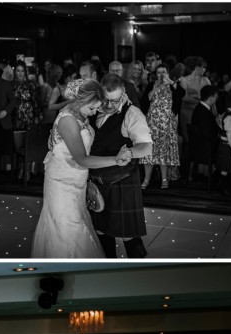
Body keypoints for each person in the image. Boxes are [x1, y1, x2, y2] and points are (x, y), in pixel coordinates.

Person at [31, 79, 129, 258]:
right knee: (66, 229)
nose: (93, 113)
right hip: (61, 182)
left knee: (79, 223)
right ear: (80, 101)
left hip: (78, 179)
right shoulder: (67, 120)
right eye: (91, 108)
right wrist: (116, 160)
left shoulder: (80, 111)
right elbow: (82, 159)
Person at [88, 74, 153, 259]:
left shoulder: (132, 113)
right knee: (101, 231)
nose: (109, 106)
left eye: (115, 101)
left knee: (128, 235)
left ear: (123, 92)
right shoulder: (93, 109)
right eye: (105, 100)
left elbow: (146, 146)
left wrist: (130, 153)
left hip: (122, 181)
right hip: (96, 182)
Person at [141, 65, 180, 189]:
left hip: (167, 123)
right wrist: (154, 89)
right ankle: (146, 179)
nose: (161, 75)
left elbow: (181, 94)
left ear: (168, 73)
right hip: (152, 123)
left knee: (164, 152)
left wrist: (171, 82)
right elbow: (144, 102)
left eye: (164, 72)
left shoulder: (173, 86)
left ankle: (164, 179)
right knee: (149, 153)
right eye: (159, 72)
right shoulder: (151, 85)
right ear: (155, 74)